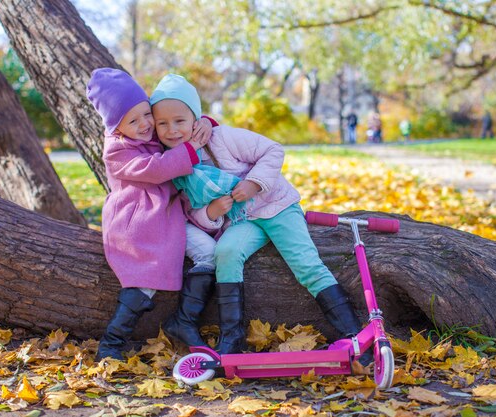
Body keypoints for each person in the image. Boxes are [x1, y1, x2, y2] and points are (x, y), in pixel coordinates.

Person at [150, 74, 371, 364]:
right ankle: (232, 337)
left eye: (179, 120)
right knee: (225, 252)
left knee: (306, 265)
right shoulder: (176, 164)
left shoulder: (222, 137)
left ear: (195, 117)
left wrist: (254, 183)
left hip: (277, 207)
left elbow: (273, 150)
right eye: (162, 123)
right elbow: (192, 211)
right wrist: (212, 213)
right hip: (244, 222)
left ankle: (353, 333)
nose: (172, 130)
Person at [86, 68, 216, 361]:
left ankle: (183, 320)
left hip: (168, 216)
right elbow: (157, 169)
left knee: (209, 252)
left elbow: (176, 124)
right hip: (137, 222)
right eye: (133, 120)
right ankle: (111, 344)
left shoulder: (149, 133)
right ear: (117, 126)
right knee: (144, 282)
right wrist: (193, 147)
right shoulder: (117, 149)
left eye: (147, 114)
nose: (146, 124)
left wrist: (204, 122)